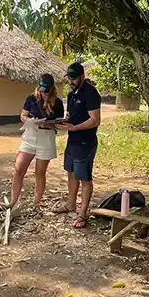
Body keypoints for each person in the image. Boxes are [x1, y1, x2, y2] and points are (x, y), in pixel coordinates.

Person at [54, 62, 101, 228]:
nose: (71, 81)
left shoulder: (91, 93)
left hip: (85, 142)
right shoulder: (71, 94)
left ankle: (83, 214)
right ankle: (70, 203)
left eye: (74, 78)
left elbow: (95, 120)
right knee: (71, 172)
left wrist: (75, 127)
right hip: (72, 140)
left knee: (84, 177)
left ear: (82, 76)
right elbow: (72, 116)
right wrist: (62, 122)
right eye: (69, 79)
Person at [7, 73, 65, 208]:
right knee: (19, 169)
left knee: (40, 172)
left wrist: (47, 124)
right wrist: (31, 121)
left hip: (46, 137)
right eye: (41, 90)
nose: (43, 93)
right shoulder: (31, 98)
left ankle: (36, 202)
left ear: (52, 89)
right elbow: (23, 116)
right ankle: (13, 201)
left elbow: (59, 124)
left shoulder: (57, 103)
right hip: (30, 135)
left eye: (46, 90)